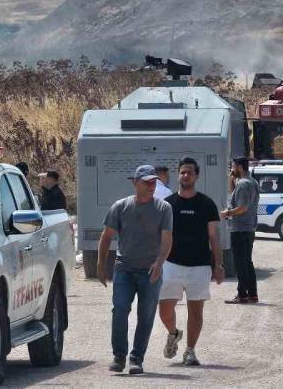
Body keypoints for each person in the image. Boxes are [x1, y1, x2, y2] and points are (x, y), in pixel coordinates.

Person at [97, 165, 173, 375]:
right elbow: (106, 236)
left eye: (154, 182)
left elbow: (167, 239)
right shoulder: (121, 206)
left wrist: (159, 262)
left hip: (150, 271)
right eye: (147, 182)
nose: (151, 186)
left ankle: (136, 359)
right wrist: (101, 266)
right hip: (124, 268)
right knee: (120, 310)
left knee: (146, 315)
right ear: (135, 183)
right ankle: (119, 356)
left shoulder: (163, 208)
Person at [158, 157, 224, 366]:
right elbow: (160, 236)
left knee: (196, 311)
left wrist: (218, 265)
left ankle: (190, 351)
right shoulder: (167, 204)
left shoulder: (207, 204)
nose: (185, 175)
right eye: (182, 172)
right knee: (164, 309)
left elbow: (214, 237)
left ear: (196, 176)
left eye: (189, 172)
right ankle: (173, 333)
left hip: (200, 266)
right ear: (178, 175)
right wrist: (156, 262)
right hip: (171, 264)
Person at [220, 156, 260, 304]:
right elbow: (236, 199)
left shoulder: (243, 184)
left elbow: (242, 207)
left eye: (233, 166)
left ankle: (242, 295)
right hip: (248, 228)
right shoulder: (252, 182)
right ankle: (252, 294)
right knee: (247, 262)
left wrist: (227, 213)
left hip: (240, 229)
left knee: (240, 264)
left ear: (240, 167)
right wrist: (231, 181)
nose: (232, 169)